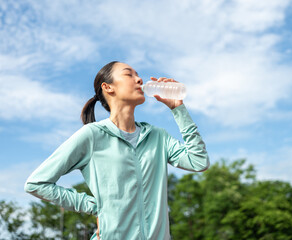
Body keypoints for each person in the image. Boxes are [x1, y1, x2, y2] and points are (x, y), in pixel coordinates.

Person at [24, 61, 210, 240]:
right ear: (108, 87)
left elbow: (199, 161)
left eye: (138, 75)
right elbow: (36, 183)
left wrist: (178, 109)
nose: (138, 79)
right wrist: (93, 206)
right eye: (129, 74)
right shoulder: (92, 135)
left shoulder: (157, 136)